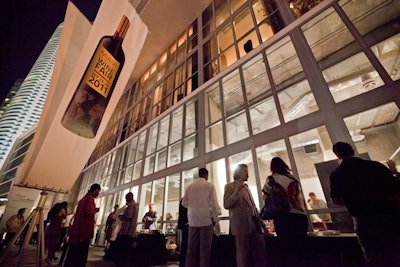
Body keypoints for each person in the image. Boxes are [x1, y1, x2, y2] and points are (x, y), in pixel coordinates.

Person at [330, 141, 400, 266]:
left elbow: (336, 200)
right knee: (395, 251)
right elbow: (395, 191)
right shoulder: (375, 166)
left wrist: (352, 200)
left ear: (337, 155)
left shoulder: (336, 174)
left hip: (363, 220)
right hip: (387, 215)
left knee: (373, 257)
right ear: (352, 150)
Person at [224, 164, 267, 267]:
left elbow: (253, 206)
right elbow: (226, 204)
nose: (248, 174)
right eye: (245, 171)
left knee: (260, 251)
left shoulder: (247, 187)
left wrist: (262, 225)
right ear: (239, 173)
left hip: (254, 224)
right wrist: (236, 191)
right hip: (240, 225)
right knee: (242, 254)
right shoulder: (230, 186)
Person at [182, 168, 220, 267]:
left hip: (193, 221)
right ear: (206, 175)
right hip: (206, 220)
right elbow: (214, 204)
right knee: (205, 250)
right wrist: (216, 220)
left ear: (199, 175)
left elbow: (184, 203)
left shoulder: (189, 187)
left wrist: (193, 206)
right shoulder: (209, 185)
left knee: (191, 249)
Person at [64, 183, 101, 267]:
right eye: (98, 191)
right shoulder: (90, 199)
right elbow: (88, 212)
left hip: (78, 229)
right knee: (81, 253)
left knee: (74, 252)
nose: (98, 194)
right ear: (95, 190)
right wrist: (95, 210)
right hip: (84, 230)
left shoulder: (84, 199)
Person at [112, 192, 139, 267]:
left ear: (130, 197)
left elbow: (129, 217)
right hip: (131, 230)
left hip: (126, 230)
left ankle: (122, 263)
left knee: (124, 249)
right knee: (127, 250)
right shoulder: (135, 206)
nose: (125, 199)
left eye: (126, 198)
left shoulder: (130, 205)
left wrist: (122, 217)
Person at [177, 199, 188, 267]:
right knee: (186, 244)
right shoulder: (187, 200)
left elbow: (181, 215)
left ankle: (182, 263)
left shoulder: (183, 200)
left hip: (184, 225)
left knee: (184, 244)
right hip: (188, 225)